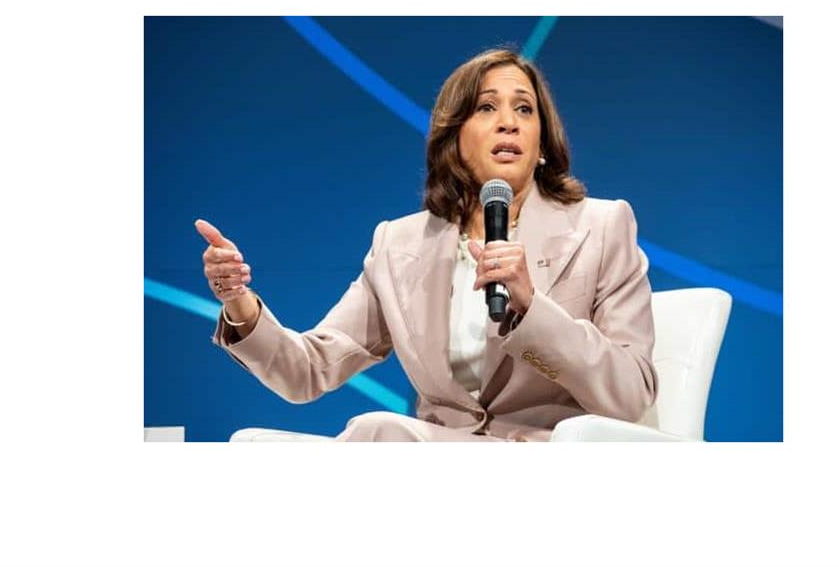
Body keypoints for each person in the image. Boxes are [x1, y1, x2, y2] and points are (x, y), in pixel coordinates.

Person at [195, 48, 658, 441]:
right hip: (440, 456)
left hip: (545, 456)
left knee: (379, 433)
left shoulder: (601, 227)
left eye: (524, 109)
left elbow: (632, 394)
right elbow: (308, 371)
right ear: (454, 139)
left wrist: (533, 308)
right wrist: (239, 304)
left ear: (541, 145)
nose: (508, 123)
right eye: (486, 108)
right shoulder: (398, 246)